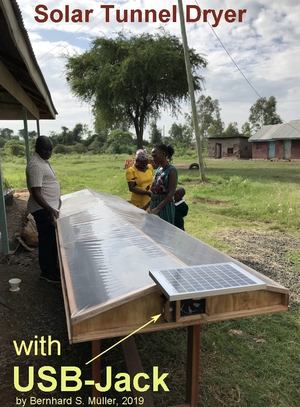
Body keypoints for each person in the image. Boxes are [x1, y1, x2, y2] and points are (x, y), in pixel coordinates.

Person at [26, 136, 61, 283]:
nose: (48, 152)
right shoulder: (36, 165)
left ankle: (54, 269)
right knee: (47, 241)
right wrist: (50, 209)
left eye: (50, 149)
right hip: (43, 209)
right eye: (45, 149)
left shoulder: (42, 162)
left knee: (52, 240)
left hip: (49, 207)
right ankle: (47, 273)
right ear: (37, 148)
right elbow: (36, 193)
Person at [149, 144, 178, 224]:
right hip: (154, 205)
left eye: (155, 156)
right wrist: (146, 206)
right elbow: (154, 192)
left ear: (163, 154)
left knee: (164, 232)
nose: (152, 159)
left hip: (164, 208)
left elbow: (171, 193)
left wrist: (158, 208)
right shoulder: (159, 169)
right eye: (152, 156)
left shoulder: (171, 171)